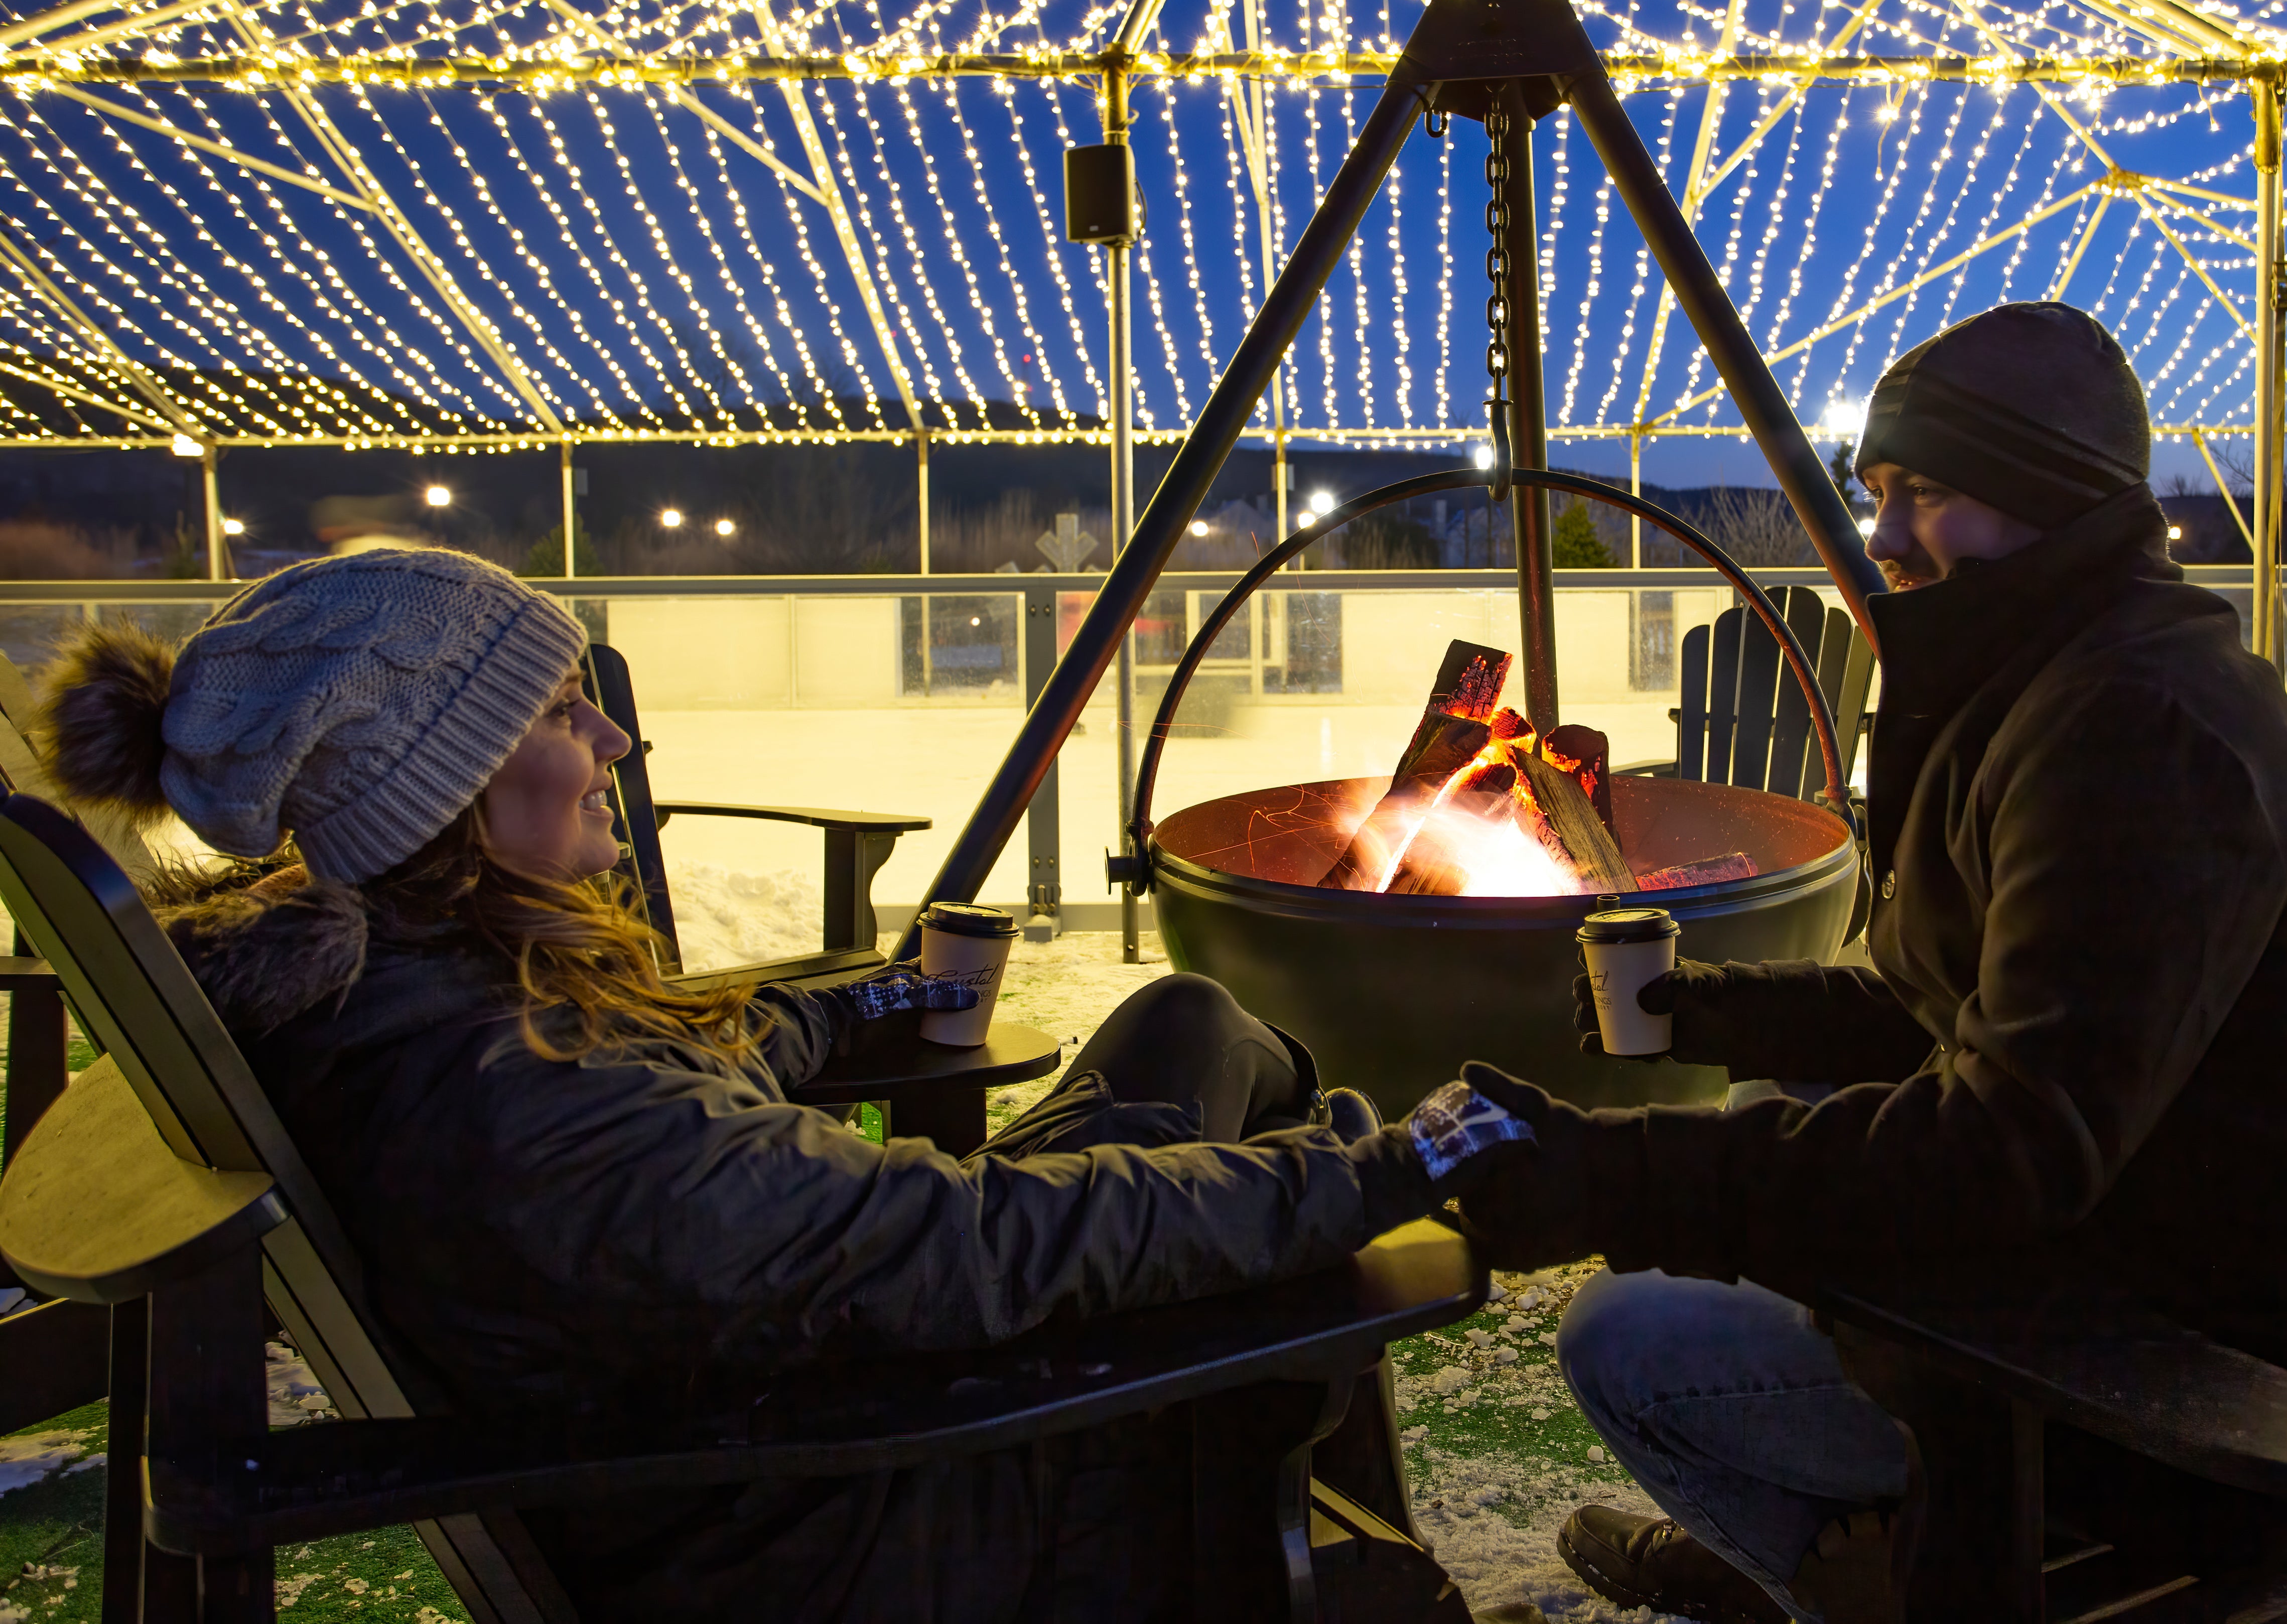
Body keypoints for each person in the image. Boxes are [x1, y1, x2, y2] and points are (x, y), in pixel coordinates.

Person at [35, 547, 1498, 1624]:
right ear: (447, 786)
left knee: (1186, 1020)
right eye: (561, 712)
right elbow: (969, 1246)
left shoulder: (424, 985)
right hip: (861, 1518)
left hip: (796, 1406)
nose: (613, 741)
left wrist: (859, 1003)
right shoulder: (524, 1104)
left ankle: (1349, 1509)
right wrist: (1397, 1164)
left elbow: (684, 1097)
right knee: (1314, 1223)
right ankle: (1344, 1565)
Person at [1456, 302, 2287, 1622]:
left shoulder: (2140, 729)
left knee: (1628, 1336)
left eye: (1925, 493)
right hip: (2140, 1246)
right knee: (1775, 1104)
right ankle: (1842, 1548)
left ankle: (1833, 1584)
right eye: (1878, 491)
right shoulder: (2052, 674)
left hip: (2222, 1388)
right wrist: (1707, 1010)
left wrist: (1610, 1179)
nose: (1882, 539)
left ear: (2052, 492)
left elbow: (2008, 1145)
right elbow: (1954, 1002)